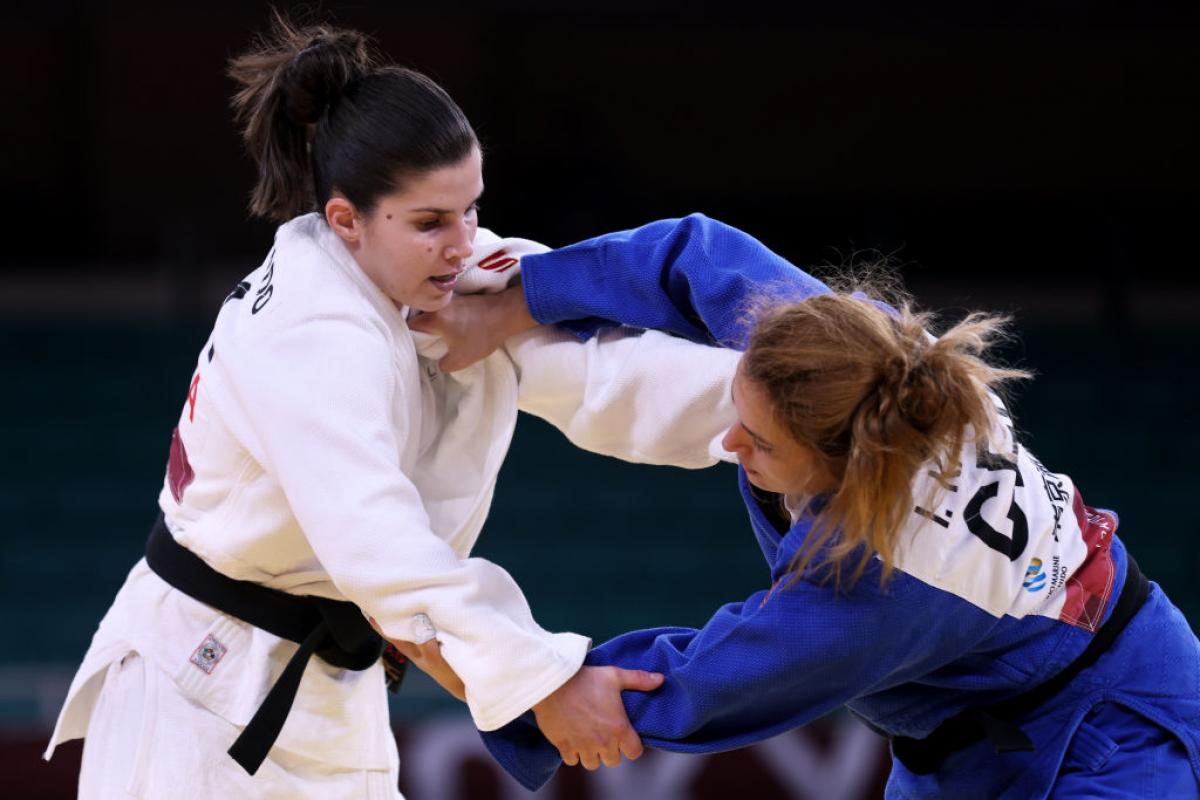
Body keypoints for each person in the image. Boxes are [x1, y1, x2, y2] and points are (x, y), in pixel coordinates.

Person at [42, 21, 744, 798]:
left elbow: (606, 373)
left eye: (471, 209)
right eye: (430, 223)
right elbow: (382, 545)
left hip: (329, 675)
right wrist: (543, 682)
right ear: (346, 220)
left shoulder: (442, 274)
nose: (462, 241)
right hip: (204, 687)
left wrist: (786, 402)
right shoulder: (310, 332)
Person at [419, 214, 1200, 798]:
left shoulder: (883, 587)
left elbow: (701, 685)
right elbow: (692, 252)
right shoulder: (847, 352)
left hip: (1111, 729)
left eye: (760, 441)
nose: (730, 442)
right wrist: (521, 302)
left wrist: (510, 677)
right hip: (967, 740)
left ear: (847, 468)